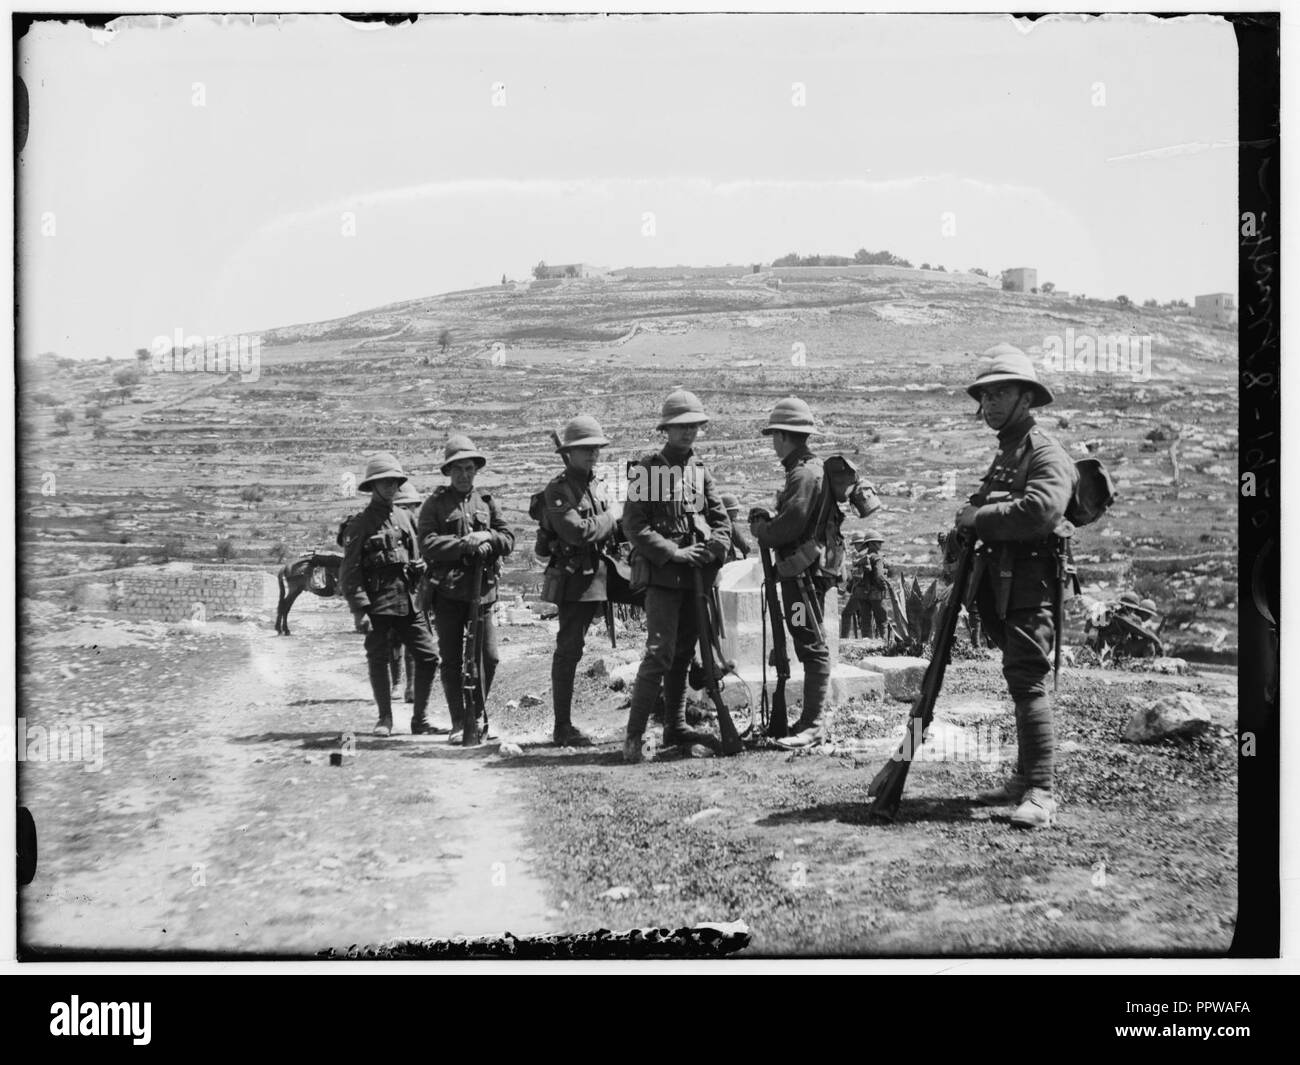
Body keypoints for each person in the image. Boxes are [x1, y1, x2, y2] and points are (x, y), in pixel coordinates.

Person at [957, 344, 1078, 830]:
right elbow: (989, 503)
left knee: (1028, 679)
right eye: (984, 396)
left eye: (1000, 393)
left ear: (1027, 397)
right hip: (1006, 583)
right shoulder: (1009, 452)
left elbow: (1039, 511)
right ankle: (1023, 778)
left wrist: (977, 517)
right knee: (1018, 678)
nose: (989, 404)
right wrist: (968, 519)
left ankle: (1042, 792)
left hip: (1034, 584)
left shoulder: (1044, 452)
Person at [620, 389, 732, 763]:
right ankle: (634, 736)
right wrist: (676, 552)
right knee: (659, 653)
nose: (689, 433)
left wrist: (712, 548)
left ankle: (675, 725)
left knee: (684, 652)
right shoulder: (651, 470)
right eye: (681, 427)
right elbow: (634, 525)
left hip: (695, 579)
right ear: (666, 429)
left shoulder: (698, 472)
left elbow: (722, 522)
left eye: (694, 426)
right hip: (665, 578)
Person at [749, 396, 844, 749]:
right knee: (808, 638)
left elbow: (792, 524)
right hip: (803, 572)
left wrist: (764, 532)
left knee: (810, 642)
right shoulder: (806, 469)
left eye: (775, 435)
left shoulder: (803, 473)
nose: (773, 442)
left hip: (802, 576)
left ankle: (813, 726)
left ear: (784, 436)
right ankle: (808, 722)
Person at [418, 435, 515, 746]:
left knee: (489, 657)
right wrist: (463, 544)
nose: (463, 474)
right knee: (451, 660)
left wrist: (487, 535)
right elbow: (428, 544)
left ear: (476, 470)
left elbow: (508, 538)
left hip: (482, 592)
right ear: (449, 471)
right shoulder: (434, 504)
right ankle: (459, 721)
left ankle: (476, 714)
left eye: (469, 468)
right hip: (447, 592)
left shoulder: (487, 503)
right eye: (457, 469)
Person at [338, 452, 441, 737]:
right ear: (372, 486)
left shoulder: (407, 518)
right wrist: (359, 610)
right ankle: (385, 718)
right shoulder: (359, 525)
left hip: (410, 602)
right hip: (378, 603)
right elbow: (350, 571)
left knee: (429, 656)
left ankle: (419, 720)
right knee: (378, 658)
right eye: (382, 482)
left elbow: (420, 556)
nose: (389, 486)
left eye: (393, 481)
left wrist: (422, 568)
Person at [537, 415, 620, 747]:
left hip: (607, 568)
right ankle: (562, 726)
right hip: (577, 577)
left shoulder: (597, 485)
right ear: (569, 452)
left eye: (596, 448)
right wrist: (612, 517)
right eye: (585, 449)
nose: (593, 454)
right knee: (570, 647)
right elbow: (577, 531)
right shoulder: (557, 490)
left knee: (661, 600)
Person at [721, 493, 751, 562]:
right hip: (726, 562)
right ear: (728, 511)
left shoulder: (711, 521)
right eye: (735, 509)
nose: (737, 511)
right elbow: (744, 547)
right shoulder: (730, 524)